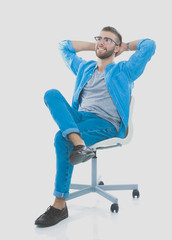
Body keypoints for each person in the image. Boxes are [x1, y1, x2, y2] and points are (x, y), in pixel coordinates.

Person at [35, 26, 156, 227]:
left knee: (60, 138)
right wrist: (97, 46)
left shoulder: (124, 70)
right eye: (100, 38)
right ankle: (79, 142)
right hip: (80, 118)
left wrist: (124, 46)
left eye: (108, 40)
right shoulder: (84, 68)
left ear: (117, 48)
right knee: (51, 94)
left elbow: (149, 45)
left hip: (106, 124)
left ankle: (59, 205)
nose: (102, 41)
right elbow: (63, 47)